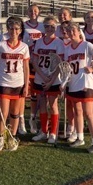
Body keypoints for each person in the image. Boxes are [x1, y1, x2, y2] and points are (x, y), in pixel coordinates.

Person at [61, 22, 93, 153]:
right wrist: (64, 83)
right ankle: (80, 138)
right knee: (77, 112)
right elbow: (67, 68)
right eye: (69, 32)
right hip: (73, 83)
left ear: (79, 32)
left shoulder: (87, 45)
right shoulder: (68, 49)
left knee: (88, 113)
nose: (71, 34)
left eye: (73, 31)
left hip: (85, 83)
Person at [0, 16, 30, 150]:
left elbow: (26, 66)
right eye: (11, 28)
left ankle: (12, 136)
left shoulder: (24, 46)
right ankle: (0, 136)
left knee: (15, 112)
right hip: (4, 82)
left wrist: (26, 84)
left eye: (17, 29)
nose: (14, 31)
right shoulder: (1, 45)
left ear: (20, 30)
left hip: (18, 83)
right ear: (8, 29)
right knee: (3, 112)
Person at [30, 16, 64, 144]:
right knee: (42, 105)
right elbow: (34, 61)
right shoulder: (39, 42)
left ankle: (53, 133)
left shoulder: (59, 43)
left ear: (56, 28)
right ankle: (44, 131)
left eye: (52, 26)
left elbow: (60, 64)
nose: (49, 29)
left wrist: (51, 80)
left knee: (53, 105)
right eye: (47, 26)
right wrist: (43, 77)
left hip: (53, 79)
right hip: (41, 77)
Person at [22, 4, 44, 133]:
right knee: (32, 92)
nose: (33, 13)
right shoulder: (24, 26)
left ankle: (40, 118)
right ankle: (32, 118)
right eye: (30, 11)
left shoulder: (43, 26)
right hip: (29, 61)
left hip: (42, 62)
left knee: (41, 92)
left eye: (35, 10)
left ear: (39, 12)